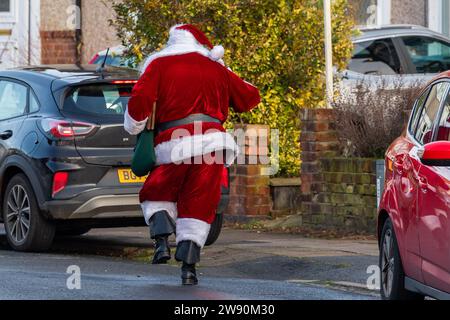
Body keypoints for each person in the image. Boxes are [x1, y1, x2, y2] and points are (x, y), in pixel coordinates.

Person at [124, 24, 260, 285]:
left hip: (175, 143)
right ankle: (189, 269)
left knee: (158, 189)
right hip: (212, 146)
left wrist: (134, 125)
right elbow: (249, 97)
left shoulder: (159, 65)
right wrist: (225, 70)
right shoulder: (215, 67)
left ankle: (162, 241)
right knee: (199, 202)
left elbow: (140, 101)